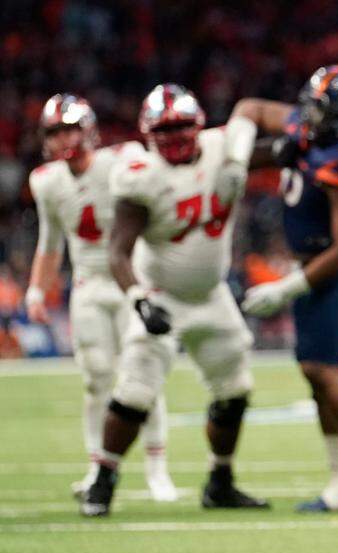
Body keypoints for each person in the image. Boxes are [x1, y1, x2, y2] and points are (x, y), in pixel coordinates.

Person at [80, 84, 266, 517]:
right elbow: (118, 252)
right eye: (164, 129)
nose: (174, 136)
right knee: (136, 392)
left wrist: (295, 143)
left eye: (181, 125)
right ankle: (103, 478)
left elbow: (273, 140)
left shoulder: (224, 147)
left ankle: (220, 481)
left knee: (235, 389)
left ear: (199, 124)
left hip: (212, 294)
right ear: (147, 134)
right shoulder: (140, 173)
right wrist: (141, 300)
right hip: (161, 294)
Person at [225, 64, 338, 512]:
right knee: (313, 372)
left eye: (318, 110)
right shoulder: (313, 129)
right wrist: (234, 156)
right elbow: (250, 109)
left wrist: (285, 289)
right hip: (314, 266)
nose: (307, 116)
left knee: (323, 371)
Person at [26, 94, 175, 501]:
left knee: (140, 377)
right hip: (90, 284)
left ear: (88, 128)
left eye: (70, 129)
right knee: (95, 380)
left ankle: (157, 468)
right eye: (55, 132)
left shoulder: (121, 161)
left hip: (132, 281)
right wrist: (37, 288)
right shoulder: (46, 180)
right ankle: (98, 468)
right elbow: (50, 242)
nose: (63, 139)